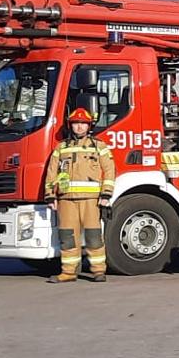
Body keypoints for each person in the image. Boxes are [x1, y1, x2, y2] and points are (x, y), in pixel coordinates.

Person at [42, 107, 115, 283]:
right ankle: (68, 272)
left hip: (91, 200)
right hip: (66, 200)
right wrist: (50, 195)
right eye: (76, 123)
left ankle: (98, 271)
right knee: (67, 238)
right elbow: (51, 173)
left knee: (93, 237)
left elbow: (110, 170)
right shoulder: (61, 148)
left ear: (89, 126)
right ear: (70, 126)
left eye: (83, 124)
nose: (79, 127)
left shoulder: (99, 146)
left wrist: (106, 194)